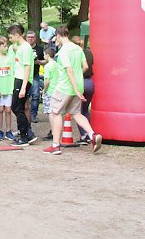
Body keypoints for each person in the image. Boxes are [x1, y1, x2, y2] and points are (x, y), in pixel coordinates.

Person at [44, 26, 102, 155]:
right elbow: (86, 66)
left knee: (55, 112)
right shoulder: (77, 49)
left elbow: (69, 69)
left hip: (65, 87)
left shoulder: (64, 51)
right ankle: (92, 134)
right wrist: (77, 83)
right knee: (76, 113)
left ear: (58, 36)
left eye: (55, 38)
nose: (55, 41)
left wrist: (74, 88)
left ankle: (55, 145)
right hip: (78, 86)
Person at [8, 24, 36, 146]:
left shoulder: (25, 48)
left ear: (17, 35)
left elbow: (28, 67)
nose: (10, 40)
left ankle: (24, 136)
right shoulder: (20, 48)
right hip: (18, 78)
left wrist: (24, 86)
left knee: (17, 107)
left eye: (11, 37)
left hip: (22, 80)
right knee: (16, 107)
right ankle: (28, 133)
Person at [0, 36, 14, 141]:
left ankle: (9, 131)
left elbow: (13, 71)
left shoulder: (10, 57)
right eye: (4, 46)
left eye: (7, 46)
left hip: (8, 87)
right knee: (0, 109)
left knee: (8, 110)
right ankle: (0, 130)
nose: (6, 48)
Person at [76, 36, 95, 144]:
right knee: (85, 110)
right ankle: (89, 133)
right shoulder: (89, 52)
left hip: (81, 82)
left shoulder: (76, 54)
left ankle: (84, 135)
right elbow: (91, 65)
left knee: (77, 111)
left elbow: (85, 67)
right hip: (90, 83)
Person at [26, 30, 45, 125]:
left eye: (32, 37)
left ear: (35, 38)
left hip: (35, 74)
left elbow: (46, 60)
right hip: (25, 75)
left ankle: (33, 115)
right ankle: (25, 115)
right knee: (25, 96)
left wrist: (39, 62)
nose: (30, 39)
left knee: (36, 95)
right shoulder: (23, 48)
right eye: (28, 37)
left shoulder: (40, 49)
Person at [41, 47, 58, 140]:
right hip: (57, 91)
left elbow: (47, 81)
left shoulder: (47, 66)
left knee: (50, 112)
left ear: (47, 55)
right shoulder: (57, 65)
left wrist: (44, 90)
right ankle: (56, 130)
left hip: (50, 91)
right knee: (55, 112)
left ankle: (53, 131)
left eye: (44, 54)